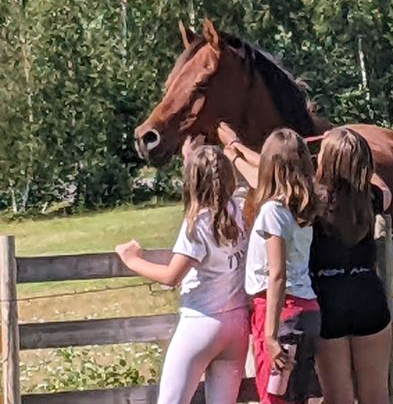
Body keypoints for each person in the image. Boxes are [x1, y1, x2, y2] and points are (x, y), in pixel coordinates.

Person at [115, 141, 249, 404]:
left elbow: (171, 276)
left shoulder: (198, 224)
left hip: (202, 321)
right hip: (236, 323)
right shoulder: (238, 211)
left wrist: (131, 260)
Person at [310, 127, 393, 404]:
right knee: (376, 395)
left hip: (328, 297)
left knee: (338, 398)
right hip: (368, 294)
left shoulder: (314, 202)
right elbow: (386, 190)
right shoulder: (371, 198)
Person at [241, 128, 322, 404]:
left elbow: (277, 274)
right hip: (307, 311)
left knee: (274, 399)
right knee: (295, 397)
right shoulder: (303, 210)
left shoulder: (273, 212)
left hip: (280, 312)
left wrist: (271, 336)